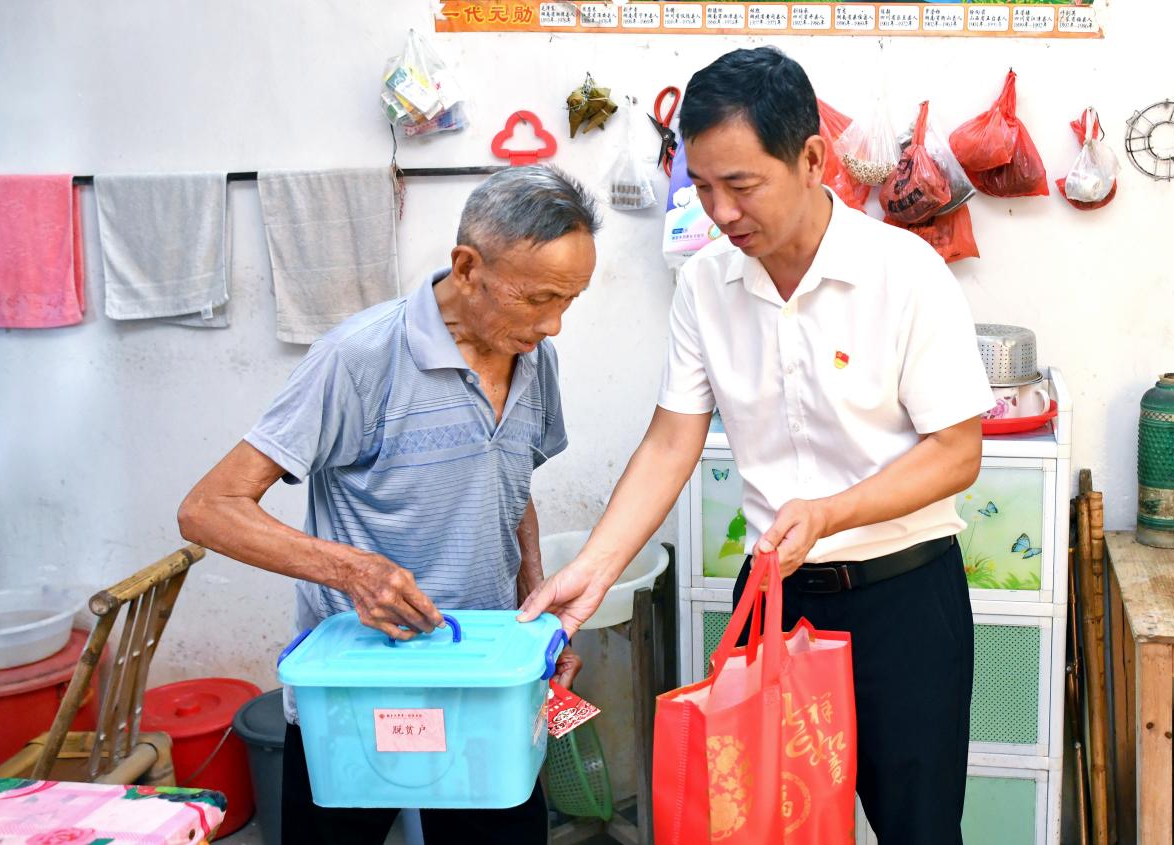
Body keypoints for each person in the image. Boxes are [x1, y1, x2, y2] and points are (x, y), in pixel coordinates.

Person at [518, 48, 993, 845]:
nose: (722, 212)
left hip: (904, 600)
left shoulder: (904, 273)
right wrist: (591, 572)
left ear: (812, 159)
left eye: (741, 185)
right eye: (702, 188)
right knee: (763, 824)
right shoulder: (706, 284)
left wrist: (831, 510)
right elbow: (672, 439)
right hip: (775, 598)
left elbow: (957, 451)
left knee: (918, 827)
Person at [178, 165, 599, 845]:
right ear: (466, 267)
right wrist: (353, 571)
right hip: (358, 695)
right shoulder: (360, 357)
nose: (552, 324)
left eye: (569, 300)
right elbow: (207, 507)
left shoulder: (533, 357)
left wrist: (535, 617)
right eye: (538, 298)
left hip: (482, 686)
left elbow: (512, 486)